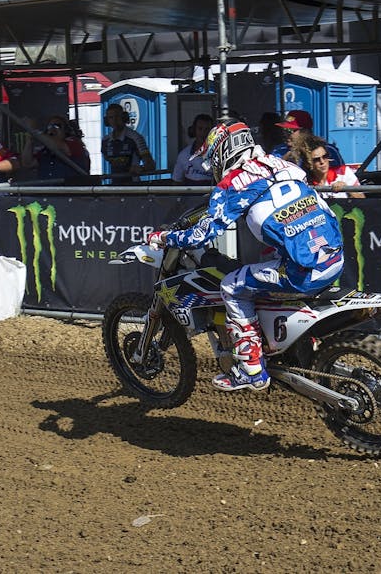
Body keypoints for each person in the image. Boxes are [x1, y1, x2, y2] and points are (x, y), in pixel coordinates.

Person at [146, 121, 344, 391]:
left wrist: (164, 237)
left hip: (303, 271)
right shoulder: (283, 165)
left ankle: (251, 370)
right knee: (262, 268)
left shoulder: (232, 185)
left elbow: (199, 237)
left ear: (222, 153)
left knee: (232, 286)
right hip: (334, 256)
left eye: (213, 159)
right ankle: (287, 344)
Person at [21, 115, 90, 183]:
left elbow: (56, 145)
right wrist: (30, 139)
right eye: (49, 126)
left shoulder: (75, 143)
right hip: (48, 189)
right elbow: (27, 163)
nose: (52, 129)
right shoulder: (45, 151)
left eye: (57, 126)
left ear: (66, 131)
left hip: (70, 189)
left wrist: (33, 131)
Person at [101, 103, 155, 184]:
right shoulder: (105, 141)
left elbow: (151, 165)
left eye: (117, 117)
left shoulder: (135, 138)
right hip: (115, 186)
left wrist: (141, 169)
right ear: (107, 120)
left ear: (124, 117)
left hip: (133, 186)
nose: (114, 120)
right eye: (111, 117)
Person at [300, 135, 364, 199]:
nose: (322, 162)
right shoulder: (304, 183)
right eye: (316, 159)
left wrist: (347, 188)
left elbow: (362, 199)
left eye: (325, 156)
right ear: (307, 163)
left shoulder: (344, 172)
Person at [171, 113, 214, 185]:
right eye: (200, 129)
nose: (203, 133)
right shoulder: (184, 155)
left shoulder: (219, 154)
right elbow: (176, 181)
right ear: (194, 130)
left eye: (207, 129)